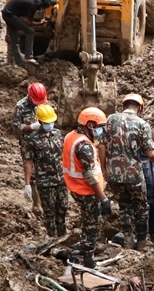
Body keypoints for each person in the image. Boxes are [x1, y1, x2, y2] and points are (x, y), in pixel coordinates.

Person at [104, 94, 154, 248]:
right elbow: (151, 153)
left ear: (123, 105)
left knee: (124, 207)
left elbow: (101, 146)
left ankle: (127, 241)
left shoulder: (111, 119)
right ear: (140, 108)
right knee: (142, 207)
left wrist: (104, 168)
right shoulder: (142, 124)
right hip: (133, 175)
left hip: (114, 174)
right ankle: (141, 241)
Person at [63, 107, 112, 268]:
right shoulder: (84, 146)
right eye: (100, 126)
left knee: (87, 219)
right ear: (90, 125)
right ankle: (89, 257)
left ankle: (87, 246)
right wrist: (103, 198)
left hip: (76, 188)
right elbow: (90, 175)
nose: (101, 130)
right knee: (93, 223)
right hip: (88, 191)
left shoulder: (71, 136)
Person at [22, 104, 69, 238]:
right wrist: (27, 184)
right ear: (40, 122)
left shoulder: (57, 134)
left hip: (60, 180)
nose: (50, 125)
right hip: (45, 182)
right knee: (50, 214)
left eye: (52, 122)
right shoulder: (32, 139)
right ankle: (53, 241)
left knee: (62, 210)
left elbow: (63, 155)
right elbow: (29, 162)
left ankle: (63, 238)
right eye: (47, 122)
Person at [15, 82, 50, 211]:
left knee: (45, 170)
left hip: (43, 142)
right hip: (28, 143)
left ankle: (46, 199)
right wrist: (31, 127)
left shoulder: (44, 102)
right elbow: (16, 126)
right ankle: (37, 204)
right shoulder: (21, 106)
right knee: (33, 174)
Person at [2, 0, 54, 66]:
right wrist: (41, 23)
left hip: (6, 12)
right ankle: (28, 56)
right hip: (11, 15)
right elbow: (29, 23)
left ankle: (19, 62)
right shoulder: (33, 5)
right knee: (30, 31)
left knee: (15, 40)